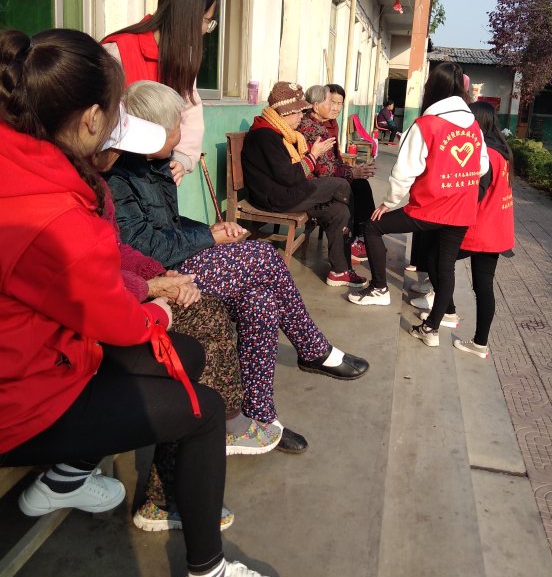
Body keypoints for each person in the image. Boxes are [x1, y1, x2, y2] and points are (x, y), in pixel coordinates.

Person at [0, 28, 288, 577]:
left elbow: (110, 261)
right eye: (116, 118)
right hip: (22, 394)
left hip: (44, 351)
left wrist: (156, 280)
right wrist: (159, 302)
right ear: (90, 121)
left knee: (187, 351)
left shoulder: (35, 165)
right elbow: (114, 311)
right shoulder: (57, 208)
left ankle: (66, 476)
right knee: (202, 409)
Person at [105, 80, 370, 454]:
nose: (182, 134)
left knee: (261, 302)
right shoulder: (119, 175)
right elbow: (145, 248)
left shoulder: (155, 164)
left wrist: (211, 229)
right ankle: (313, 349)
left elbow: (168, 225)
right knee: (265, 257)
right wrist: (209, 238)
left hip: (180, 256)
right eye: (177, 126)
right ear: (154, 131)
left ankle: (260, 416)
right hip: (160, 275)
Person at [97, 173, 280, 532]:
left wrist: (158, 276)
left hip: (134, 287)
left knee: (255, 300)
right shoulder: (106, 176)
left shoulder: (124, 172)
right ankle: (228, 423)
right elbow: (86, 275)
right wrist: (150, 287)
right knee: (248, 274)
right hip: (77, 337)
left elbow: (119, 248)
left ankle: (248, 412)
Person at [349, 62, 489, 351]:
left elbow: (404, 172)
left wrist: (388, 203)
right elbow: (482, 166)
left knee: (372, 226)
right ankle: (432, 329)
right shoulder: (474, 126)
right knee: (445, 265)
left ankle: (379, 288)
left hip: (430, 208)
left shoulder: (427, 124)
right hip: (461, 209)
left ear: (432, 89)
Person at [241, 81, 368, 287]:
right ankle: (355, 240)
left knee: (339, 211)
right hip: (277, 198)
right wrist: (313, 156)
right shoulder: (265, 135)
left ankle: (340, 271)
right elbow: (290, 177)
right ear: (285, 112)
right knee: (341, 186)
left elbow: (289, 175)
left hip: (288, 191)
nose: (302, 116)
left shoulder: (278, 131)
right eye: (299, 111)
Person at [417, 102, 515, 359]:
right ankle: (480, 344)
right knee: (484, 286)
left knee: (435, 258)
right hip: (498, 229)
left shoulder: (486, 154)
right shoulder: (502, 151)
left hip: (479, 227)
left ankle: (448, 312)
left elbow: (477, 192)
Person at [102, 0, 217, 186]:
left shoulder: (181, 59)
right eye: (206, 21)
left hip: (156, 176)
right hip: (116, 179)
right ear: (188, 18)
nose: (205, 30)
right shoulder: (117, 52)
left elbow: (190, 110)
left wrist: (182, 158)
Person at [299, 83, 376, 263]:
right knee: (347, 189)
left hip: (320, 175)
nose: (335, 107)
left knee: (359, 185)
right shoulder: (314, 129)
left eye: (339, 103)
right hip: (312, 182)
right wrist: (351, 173)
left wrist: (350, 171)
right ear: (316, 106)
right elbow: (324, 170)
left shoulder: (327, 124)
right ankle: (354, 241)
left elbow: (333, 160)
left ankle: (363, 236)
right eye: (330, 102)